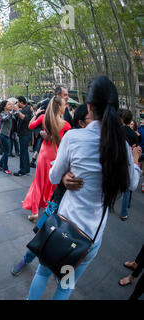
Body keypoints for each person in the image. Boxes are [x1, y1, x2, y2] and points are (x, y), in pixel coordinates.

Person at [26, 76, 142, 300]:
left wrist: (64, 176)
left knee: (42, 272)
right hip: (86, 241)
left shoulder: (73, 138)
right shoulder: (122, 146)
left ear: (88, 107)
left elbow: (53, 176)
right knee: (65, 286)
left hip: (61, 229)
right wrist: (136, 162)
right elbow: (131, 183)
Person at [11, 104, 91, 277]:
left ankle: (55, 270)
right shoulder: (71, 139)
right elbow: (55, 174)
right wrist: (63, 177)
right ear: (82, 123)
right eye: (91, 120)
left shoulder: (101, 145)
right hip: (58, 200)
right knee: (42, 232)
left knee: (65, 258)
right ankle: (27, 259)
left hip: (80, 213)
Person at [22, 96, 71, 222]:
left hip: (44, 154)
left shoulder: (43, 118)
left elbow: (30, 125)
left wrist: (36, 114)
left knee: (38, 183)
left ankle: (34, 213)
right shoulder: (65, 124)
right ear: (60, 108)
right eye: (64, 105)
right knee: (51, 184)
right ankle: (46, 210)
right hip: (56, 156)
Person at [118, 108, 139, 221]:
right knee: (127, 188)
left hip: (117, 161)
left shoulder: (117, 131)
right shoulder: (133, 135)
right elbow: (135, 150)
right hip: (128, 163)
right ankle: (124, 212)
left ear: (121, 118)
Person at [14, 96, 33, 176]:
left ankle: (23, 170)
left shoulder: (27, 109)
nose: (17, 104)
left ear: (22, 102)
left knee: (23, 152)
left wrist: (17, 111)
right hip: (23, 133)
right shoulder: (25, 109)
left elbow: (25, 118)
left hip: (25, 134)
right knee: (24, 152)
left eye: (18, 102)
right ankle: (26, 169)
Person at [0, 100, 14, 175]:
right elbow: (4, 119)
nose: (10, 105)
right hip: (3, 135)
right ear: (5, 107)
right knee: (6, 152)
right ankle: (5, 168)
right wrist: (10, 114)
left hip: (7, 134)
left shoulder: (9, 113)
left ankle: (0, 164)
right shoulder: (2, 113)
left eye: (10, 104)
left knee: (6, 152)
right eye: (8, 104)